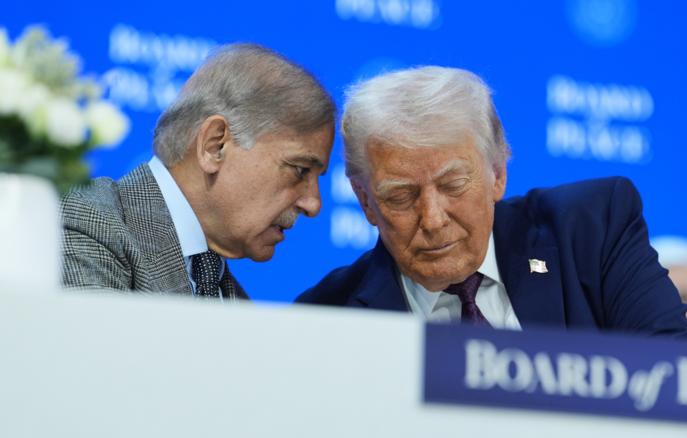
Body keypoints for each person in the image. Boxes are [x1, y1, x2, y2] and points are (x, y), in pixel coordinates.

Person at [296, 66, 687, 337]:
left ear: (497, 174)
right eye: (401, 195)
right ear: (365, 202)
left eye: (453, 185)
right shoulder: (325, 319)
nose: (432, 219)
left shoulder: (590, 230)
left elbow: (671, 374)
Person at [62, 43, 335, 299]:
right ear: (215, 145)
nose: (313, 204)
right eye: (300, 170)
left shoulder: (233, 298)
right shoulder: (88, 223)